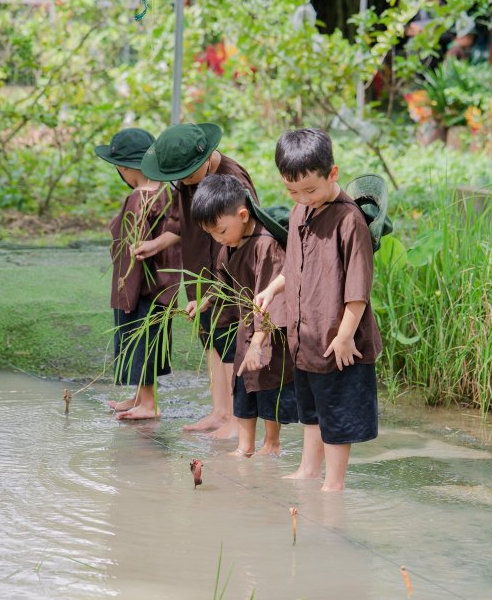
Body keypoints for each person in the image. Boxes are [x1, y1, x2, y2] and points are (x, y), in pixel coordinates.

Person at [254, 128, 385, 492]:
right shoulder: (299, 213)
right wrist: (271, 289)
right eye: (292, 191)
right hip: (306, 336)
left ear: (333, 173)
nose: (302, 198)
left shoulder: (350, 220)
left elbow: (357, 289)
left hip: (337, 340)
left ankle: (335, 482)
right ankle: (309, 469)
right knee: (310, 410)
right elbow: (293, 267)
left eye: (309, 189)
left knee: (336, 414)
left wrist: (345, 336)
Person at [138, 123, 258, 439]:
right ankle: (219, 412)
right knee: (211, 340)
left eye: (190, 174)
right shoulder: (184, 182)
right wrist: (156, 243)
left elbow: (247, 237)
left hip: (230, 278)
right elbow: (179, 223)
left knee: (231, 343)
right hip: (199, 277)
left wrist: (220, 286)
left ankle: (236, 418)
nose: (186, 181)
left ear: (205, 157)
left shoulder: (233, 180)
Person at [191, 174, 298, 458]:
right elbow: (223, 281)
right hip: (246, 329)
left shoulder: (266, 245)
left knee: (268, 388)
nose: (218, 239)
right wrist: (204, 302)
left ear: (242, 214)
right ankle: (245, 446)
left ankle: (271, 444)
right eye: (212, 234)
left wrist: (258, 343)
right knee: (243, 389)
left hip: (268, 332)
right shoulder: (231, 244)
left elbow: (272, 299)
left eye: (221, 231)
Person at [95, 128, 180, 420]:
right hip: (162, 284)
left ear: (125, 168)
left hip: (140, 286)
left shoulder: (138, 198)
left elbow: (132, 250)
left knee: (139, 339)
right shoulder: (167, 192)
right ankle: (140, 397)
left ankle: (148, 404)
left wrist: (126, 292)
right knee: (148, 340)